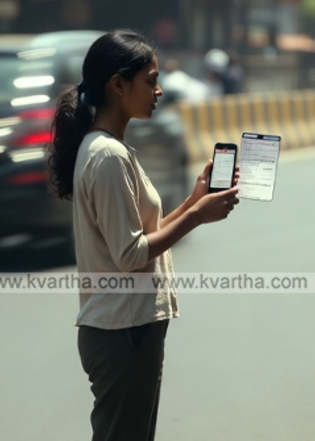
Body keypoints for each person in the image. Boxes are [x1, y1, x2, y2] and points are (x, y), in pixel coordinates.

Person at [47, 30, 240, 441]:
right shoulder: (108, 156)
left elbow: (139, 233)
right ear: (118, 86)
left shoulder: (107, 148)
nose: (159, 90)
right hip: (123, 332)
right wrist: (196, 218)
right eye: (150, 80)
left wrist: (193, 202)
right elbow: (131, 253)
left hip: (127, 330)